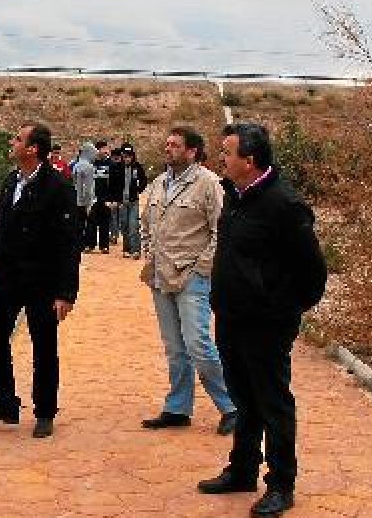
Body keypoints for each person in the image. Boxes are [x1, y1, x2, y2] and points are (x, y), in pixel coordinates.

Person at [197, 123, 327, 517]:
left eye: (227, 152)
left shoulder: (284, 204)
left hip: (267, 324)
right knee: (243, 398)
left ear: (249, 160)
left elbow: (312, 273)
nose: (221, 158)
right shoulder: (234, 195)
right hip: (231, 317)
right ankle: (242, 470)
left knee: (273, 402)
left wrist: (280, 310)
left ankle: (281, 485)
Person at [0, 122, 81, 439]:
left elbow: (69, 244)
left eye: (18, 139)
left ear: (33, 149)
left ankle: (44, 413)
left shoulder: (59, 187)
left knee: (43, 347)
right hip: (7, 278)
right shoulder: (11, 181)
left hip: (42, 282)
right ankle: (5, 403)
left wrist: (65, 293)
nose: (12, 142)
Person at [140, 127, 238, 436]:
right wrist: (149, 253)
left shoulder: (209, 184)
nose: (168, 148)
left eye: (175, 145)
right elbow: (147, 224)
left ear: (192, 151)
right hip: (160, 275)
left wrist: (201, 269)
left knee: (198, 345)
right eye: (167, 143)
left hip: (192, 278)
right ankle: (178, 408)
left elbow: (222, 230)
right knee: (174, 348)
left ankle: (232, 407)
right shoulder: (159, 183)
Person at [112, 143, 147, 258]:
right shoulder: (117, 168)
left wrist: (138, 189)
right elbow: (113, 185)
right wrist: (114, 199)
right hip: (122, 202)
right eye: (125, 156)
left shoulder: (137, 167)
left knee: (133, 225)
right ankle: (127, 249)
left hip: (133, 201)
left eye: (129, 156)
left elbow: (144, 180)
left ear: (132, 156)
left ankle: (136, 250)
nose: (127, 158)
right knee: (124, 226)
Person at [86, 140, 114, 253]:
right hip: (93, 197)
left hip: (106, 198)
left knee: (105, 222)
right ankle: (90, 245)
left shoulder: (111, 164)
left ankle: (104, 246)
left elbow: (114, 182)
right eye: (103, 149)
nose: (105, 151)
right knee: (91, 221)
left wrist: (112, 199)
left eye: (106, 149)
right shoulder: (91, 163)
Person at [72, 142, 97, 251]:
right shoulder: (89, 167)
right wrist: (89, 203)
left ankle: (77, 244)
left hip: (75, 200)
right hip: (85, 202)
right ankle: (87, 244)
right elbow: (88, 187)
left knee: (78, 224)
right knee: (88, 224)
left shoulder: (76, 165)